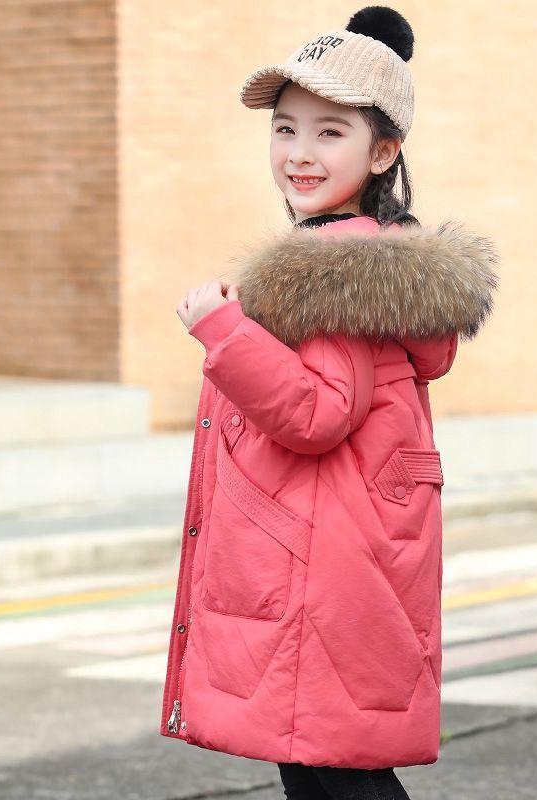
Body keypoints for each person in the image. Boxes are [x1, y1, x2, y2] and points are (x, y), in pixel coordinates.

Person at [162, 6, 499, 799]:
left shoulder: (332, 270)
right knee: (328, 771)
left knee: (334, 778)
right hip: (343, 563)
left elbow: (315, 413)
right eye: (285, 129)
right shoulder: (365, 261)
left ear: (384, 151)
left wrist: (223, 331)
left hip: (320, 572)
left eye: (329, 132)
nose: (299, 153)